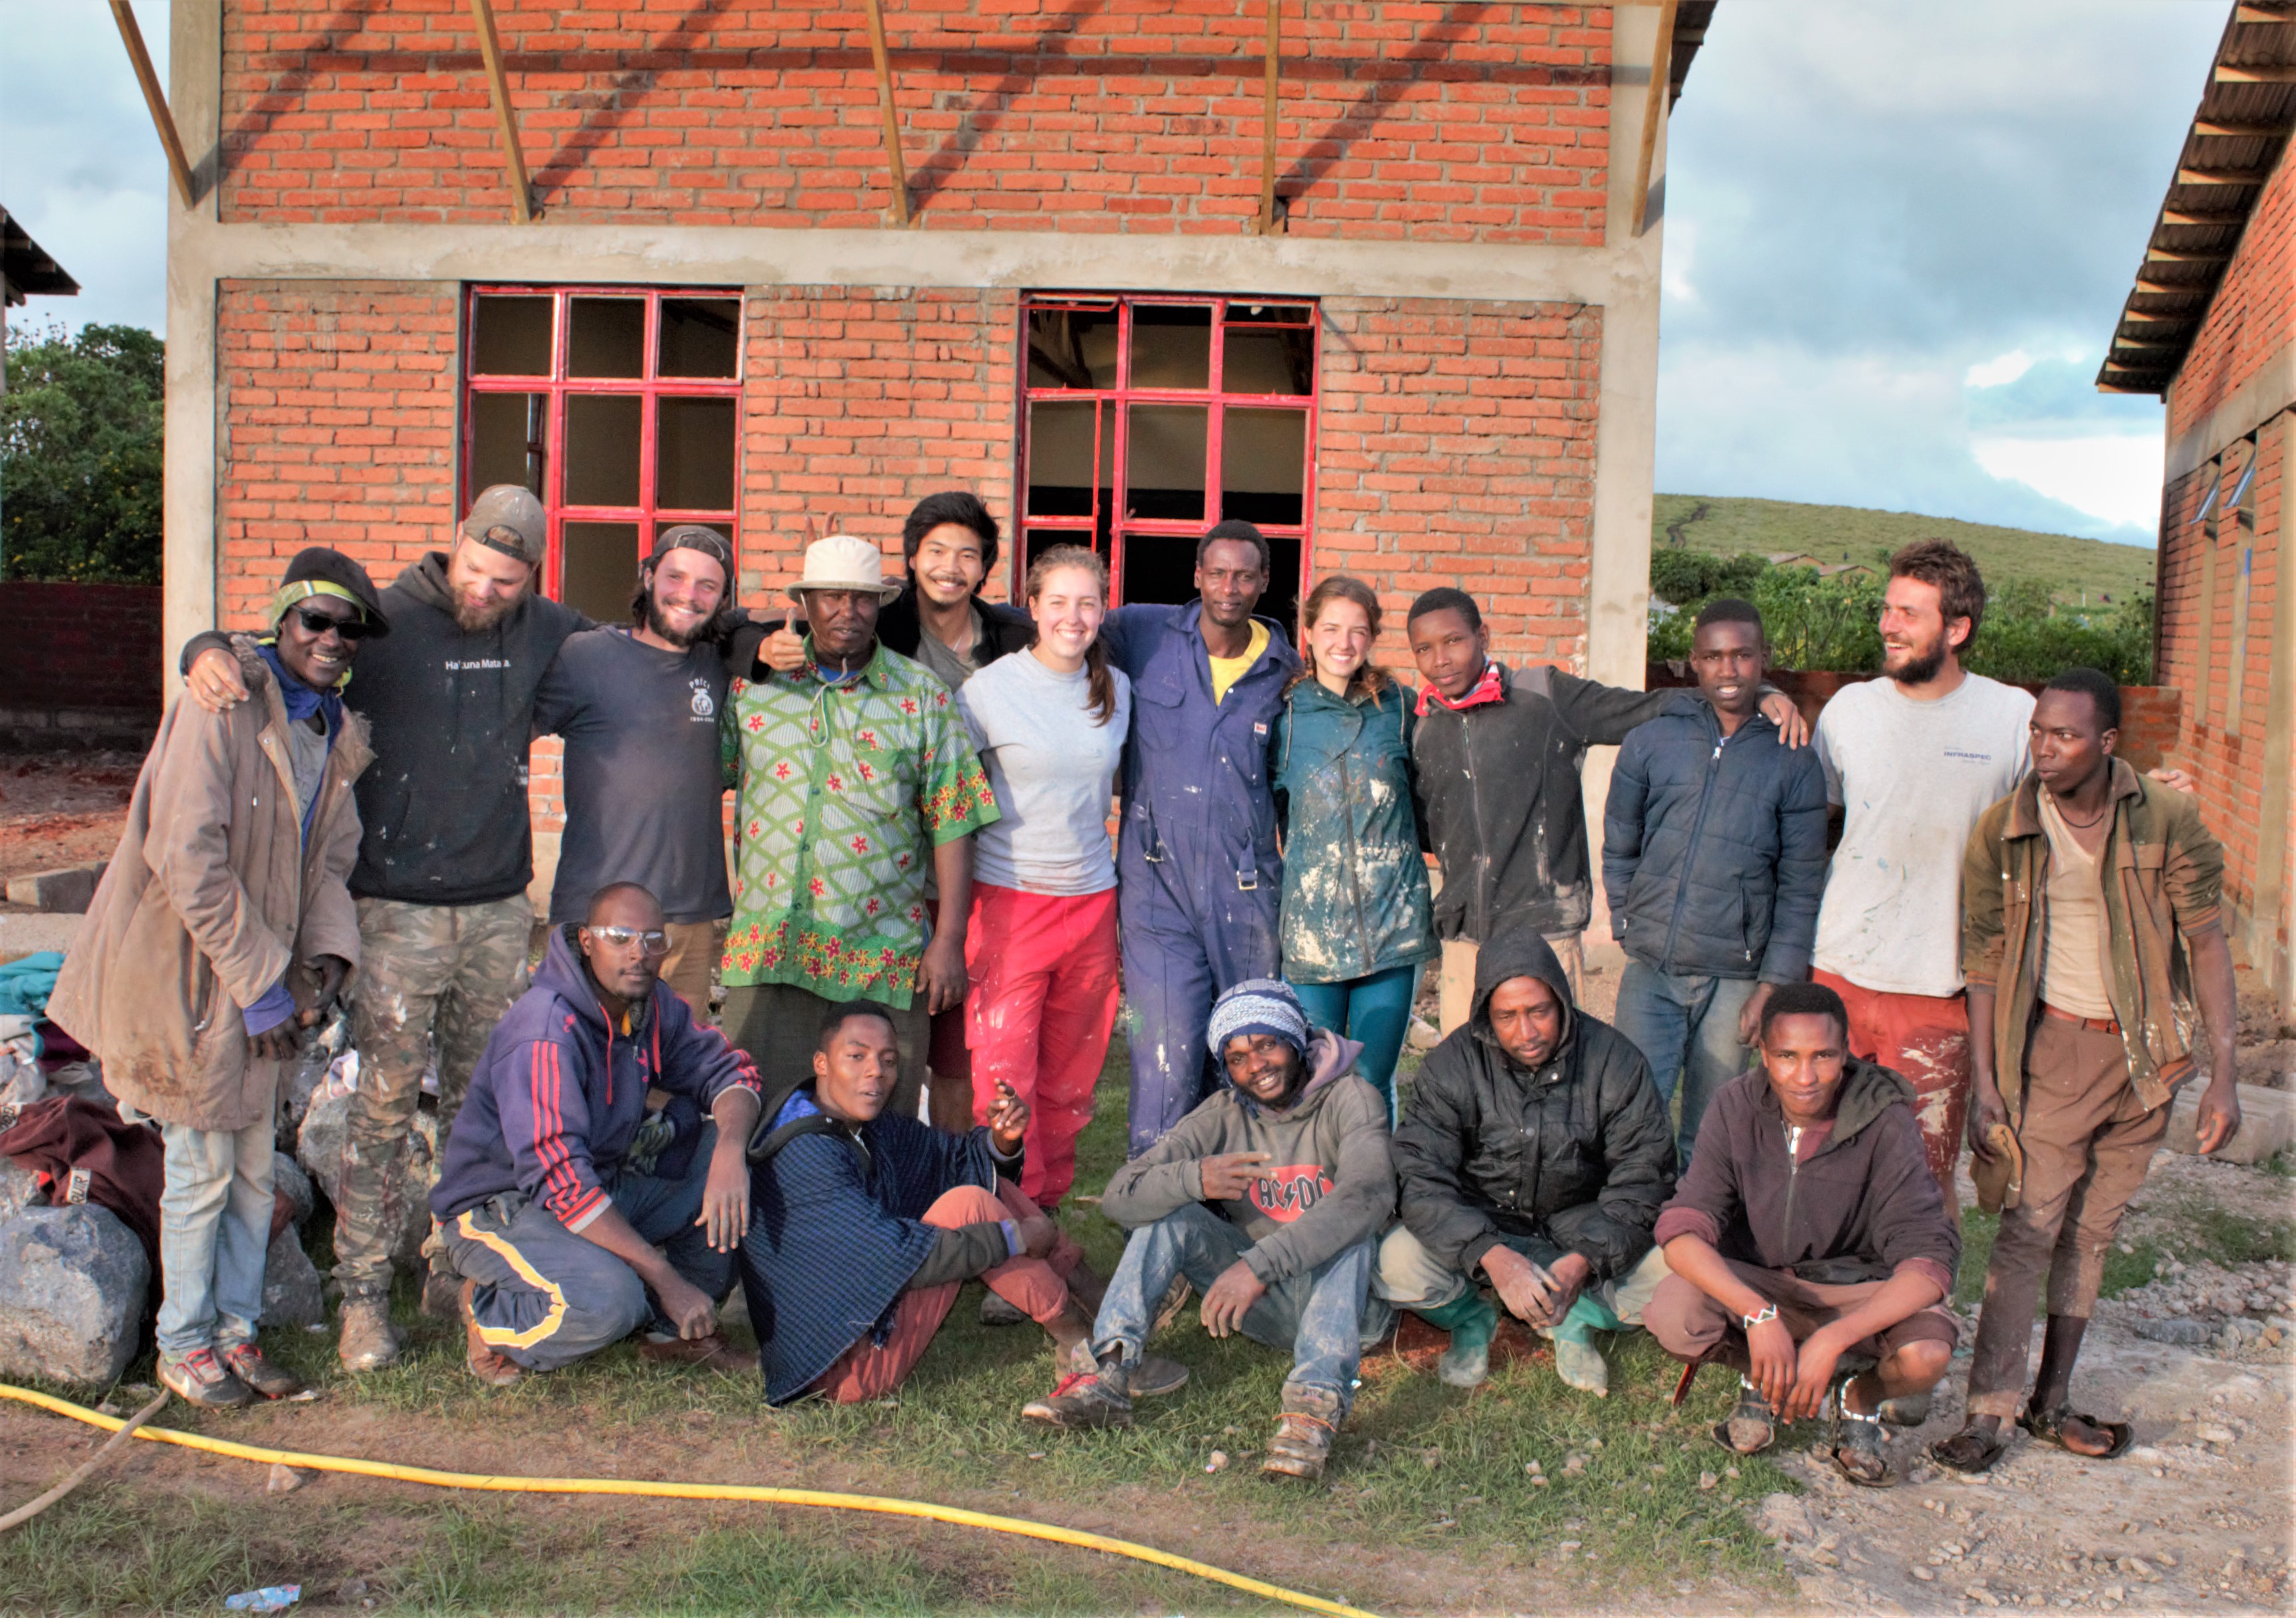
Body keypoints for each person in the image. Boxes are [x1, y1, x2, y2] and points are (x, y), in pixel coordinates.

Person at [177, 486, 586, 1368]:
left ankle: (463, 1267)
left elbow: (635, 653)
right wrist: (202, 647)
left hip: (496, 906)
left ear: (532, 578)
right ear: (455, 547)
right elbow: (278, 655)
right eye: (478, 571)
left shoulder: (547, 627)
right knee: (384, 1109)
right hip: (392, 907)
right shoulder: (383, 624)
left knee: (485, 1104)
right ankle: (362, 1298)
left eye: (509, 582)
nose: (489, 591)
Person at [54, 548, 386, 1407]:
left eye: (349, 628)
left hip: (268, 986)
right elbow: (187, 857)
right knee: (199, 1169)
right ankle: (182, 1343)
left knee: (249, 1167)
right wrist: (260, 982)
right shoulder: (221, 702)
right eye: (317, 619)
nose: (332, 638)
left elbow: (328, 866)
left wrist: (316, 973)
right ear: (281, 620)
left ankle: (237, 1332)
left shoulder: (333, 731)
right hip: (195, 976)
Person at [1932, 669, 2243, 1474]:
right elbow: (1984, 962)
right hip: (2056, 1053)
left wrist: (2222, 1073)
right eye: (2036, 731)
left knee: (2091, 1234)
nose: (2043, 747)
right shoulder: (2001, 829)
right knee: (2026, 1234)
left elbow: (2206, 942)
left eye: (2063, 735)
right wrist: (1990, 1079)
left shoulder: (2166, 818)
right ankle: (1988, 1412)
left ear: (2107, 743)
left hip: (2145, 1060)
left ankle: (2050, 1401)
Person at [1020, 980, 1395, 1484]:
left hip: (1349, 1308)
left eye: (1267, 1045)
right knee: (1168, 1215)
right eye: (1237, 1057)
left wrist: (1258, 1265)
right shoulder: (1224, 1113)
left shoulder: (1352, 1098)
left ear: (1296, 1040)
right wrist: (1195, 1178)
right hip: (1271, 1306)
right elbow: (1120, 1195)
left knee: (1349, 1229)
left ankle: (1312, 1411)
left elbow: (1369, 1193)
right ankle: (1106, 1376)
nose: (1256, 1066)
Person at [751, 492, 1034, 1131]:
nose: (950, 566)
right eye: (936, 551)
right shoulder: (790, 674)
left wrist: (950, 938)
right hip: (824, 915)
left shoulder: (995, 649)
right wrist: (758, 652)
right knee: (791, 1080)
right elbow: (741, 634)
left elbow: (955, 814)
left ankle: (953, 1182)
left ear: (986, 566)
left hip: (941, 891)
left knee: (940, 1064)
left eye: (967, 554)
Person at [1405, 586, 1806, 1035]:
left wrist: (1762, 693)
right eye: (1424, 649)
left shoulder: (1545, 697)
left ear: (1484, 635)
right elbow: (1428, 828)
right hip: (1465, 939)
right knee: (1466, 1071)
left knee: (1549, 1071)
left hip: (1544, 930)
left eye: (1454, 641)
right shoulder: (1422, 726)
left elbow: (1650, 707)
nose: (1440, 659)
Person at [431, 883, 762, 1383]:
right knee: (611, 1302)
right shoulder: (544, 1030)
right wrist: (662, 1274)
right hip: (503, 1206)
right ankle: (490, 1314)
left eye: (653, 939)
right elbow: (558, 1178)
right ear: (587, 941)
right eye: (620, 936)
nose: (639, 953)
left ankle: (672, 1331)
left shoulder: (651, 1006)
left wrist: (732, 1151)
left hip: (597, 1187)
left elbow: (730, 1073)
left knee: (729, 1153)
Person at [1645, 981, 1960, 1488]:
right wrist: (1757, 1312)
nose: (1806, 1076)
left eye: (1824, 1056)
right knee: (1674, 1313)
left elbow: (1929, 1257)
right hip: (1766, 1282)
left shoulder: (1885, 1117)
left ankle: (1859, 1397)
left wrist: (1835, 1337)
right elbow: (1684, 1224)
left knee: (1926, 1357)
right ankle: (1765, 1373)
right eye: (1788, 1056)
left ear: (1846, 1053)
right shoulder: (1735, 1105)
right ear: (1765, 1055)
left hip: (1858, 1287)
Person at [739, 1002, 1111, 1405]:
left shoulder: (861, 1122)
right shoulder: (806, 1154)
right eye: (857, 1056)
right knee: (970, 1203)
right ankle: (1083, 1345)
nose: (875, 1072)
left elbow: (950, 1160)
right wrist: (1014, 1238)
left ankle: (1102, 1305)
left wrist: (1001, 1139)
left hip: (858, 1331)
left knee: (980, 1184)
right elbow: (889, 1257)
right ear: (822, 1063)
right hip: (840, 1367)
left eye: (888, 1060)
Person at [1377, 931, 1675, 1397]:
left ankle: (1580, 1316)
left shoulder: (1616, 1061)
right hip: (1484, 1225)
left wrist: (1586, 1261)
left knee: (1676, 1268)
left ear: (1561, 1000)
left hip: (1582, 1228)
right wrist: (1490, 1255)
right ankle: (1471, 1316)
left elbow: (1644, 1179)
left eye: (1539, 1011)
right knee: (1392, 1262)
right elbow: (1419, 1176)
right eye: (1507, 1017)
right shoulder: (1452, 1064)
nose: (1527, 1032)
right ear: (1485, 1015)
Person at [1603, 598, 1829, 1165]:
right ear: (1693, 662)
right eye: (1714, 656)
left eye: (1742, 656)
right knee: (1631, 1114)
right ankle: (1629, 1235)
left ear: (1763, 660)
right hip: (1652, 967)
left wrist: (1774, 983)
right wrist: (1625, 916)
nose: (1728, 671)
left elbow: (1801, 884)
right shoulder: (1654, 740)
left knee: (1711, 1126)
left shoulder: (1793, 758)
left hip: (1736, 976)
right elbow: (1621, 836)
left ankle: (1696, 1237)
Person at [1102, 521, 1301, 1153]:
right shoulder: (1142, 633)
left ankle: (1236, 1211)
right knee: (1167, 1053)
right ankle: (1153, 1210)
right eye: (1217, 573)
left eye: (1245, 575)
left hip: (1246, 895)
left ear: (1266, 581)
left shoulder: (1286, 671)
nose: (1230, 587)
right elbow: (1052, 629)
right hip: (1157, 886)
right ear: (1196, 575)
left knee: (1248, 1053)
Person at [953, 546, 1130, 1215]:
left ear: (1103, 608)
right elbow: (947, 797)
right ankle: (1002, 1214)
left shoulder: (1118, 691)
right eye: (1057, 601)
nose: (1072, 616)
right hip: (1009, 900)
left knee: (1069, 1075)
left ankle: (1044, 1207)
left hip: (1090, 901)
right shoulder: (990, 691)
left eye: (1087, 602)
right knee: (1003, 1074)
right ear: (1032, 605)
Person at [535, 526, 743, 1020]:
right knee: (586, 1067)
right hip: (598, 914)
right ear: (648, 576)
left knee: (674, 1074)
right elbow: (505, 743)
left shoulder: (720, 665)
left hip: (687, 919)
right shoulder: (586, 657)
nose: (688, 596)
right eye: (675, 577)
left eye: (707, 586)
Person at [1271, 574, 1436, 1123]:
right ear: (1309, 632)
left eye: (1358, 631)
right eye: (1332, 629)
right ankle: (1315, 1199)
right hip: (1312, 932)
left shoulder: (1400, 707)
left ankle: (1372, 1201)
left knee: (1371, 1082)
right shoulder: (1285, 716)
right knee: (1311, 1080)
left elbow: (1431, 796)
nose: (1344, 643)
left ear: (1372, 638)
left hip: (1392, 927)